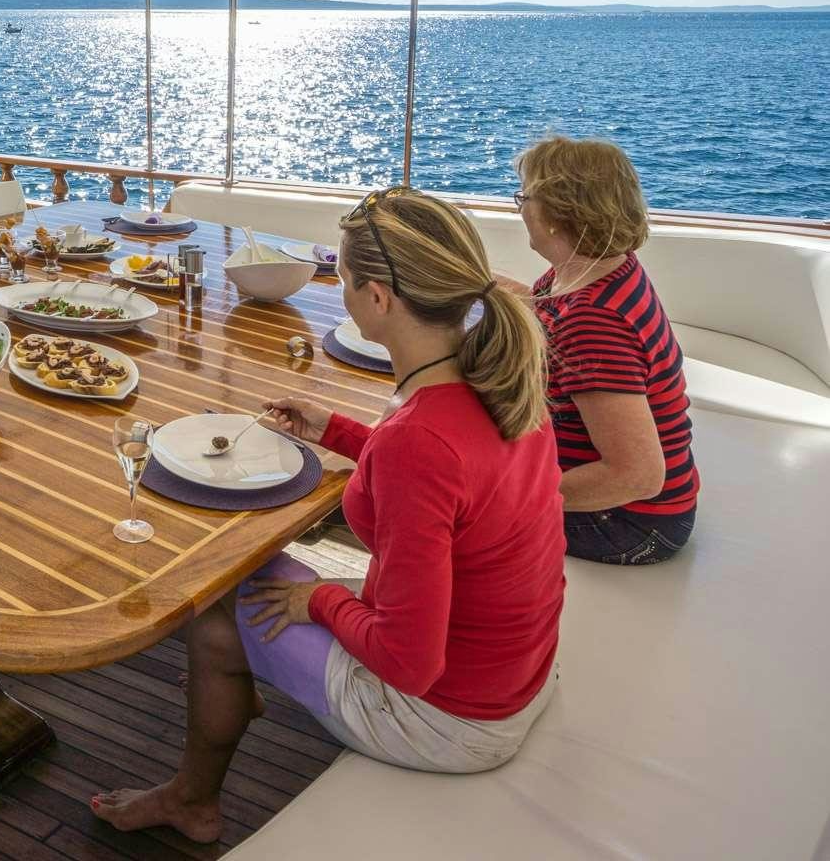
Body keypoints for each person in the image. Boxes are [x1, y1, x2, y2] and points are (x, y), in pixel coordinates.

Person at [92, 188, 566, 843]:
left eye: (342, 280)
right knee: (245, 573)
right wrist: (336, 429)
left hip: (449, 719)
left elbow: (408, 664)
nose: (339, 292)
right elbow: (457, 485)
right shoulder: (504, 381)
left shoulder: (419, 440)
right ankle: (239, 686)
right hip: (515, 674)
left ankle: (190, 800)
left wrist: (320, 602)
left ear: (378, 299)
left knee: (213, 613)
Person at [513, 136, 699, 564]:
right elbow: (545, 310)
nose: (520, 208)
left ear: (558, 216)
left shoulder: (593, 320)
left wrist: (514, 496)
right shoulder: (596, 267)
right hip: (627, 503)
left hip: (628, 522)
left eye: (525, 197)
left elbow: (637, 476)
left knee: (447, 501)